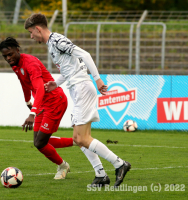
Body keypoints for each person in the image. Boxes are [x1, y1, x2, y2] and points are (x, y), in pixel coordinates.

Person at [24, 13, 131, 187]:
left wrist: (97, 79)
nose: (31, 37)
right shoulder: (52, 44)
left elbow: (85, 55)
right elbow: (70, 69)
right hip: (77, 88)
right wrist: (55, 83)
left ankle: (119, 164)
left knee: (81, 139)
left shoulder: (57, 40)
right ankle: (101, 175)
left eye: (31, 32)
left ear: (38, 28)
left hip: (82, 87)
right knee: (79, 138)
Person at [0, 37, 73, 179]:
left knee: (40, 142)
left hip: (54, 102)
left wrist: (32, 113)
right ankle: (77, 141)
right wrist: (28, 102)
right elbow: (23, 83)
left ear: (17, 50)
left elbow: (40, 88)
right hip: (43, 104)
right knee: (39, 142)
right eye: (5, 56)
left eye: (10, 54)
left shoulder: (30, 63)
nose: (8, 58)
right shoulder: (15, 64)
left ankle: (63, 166)